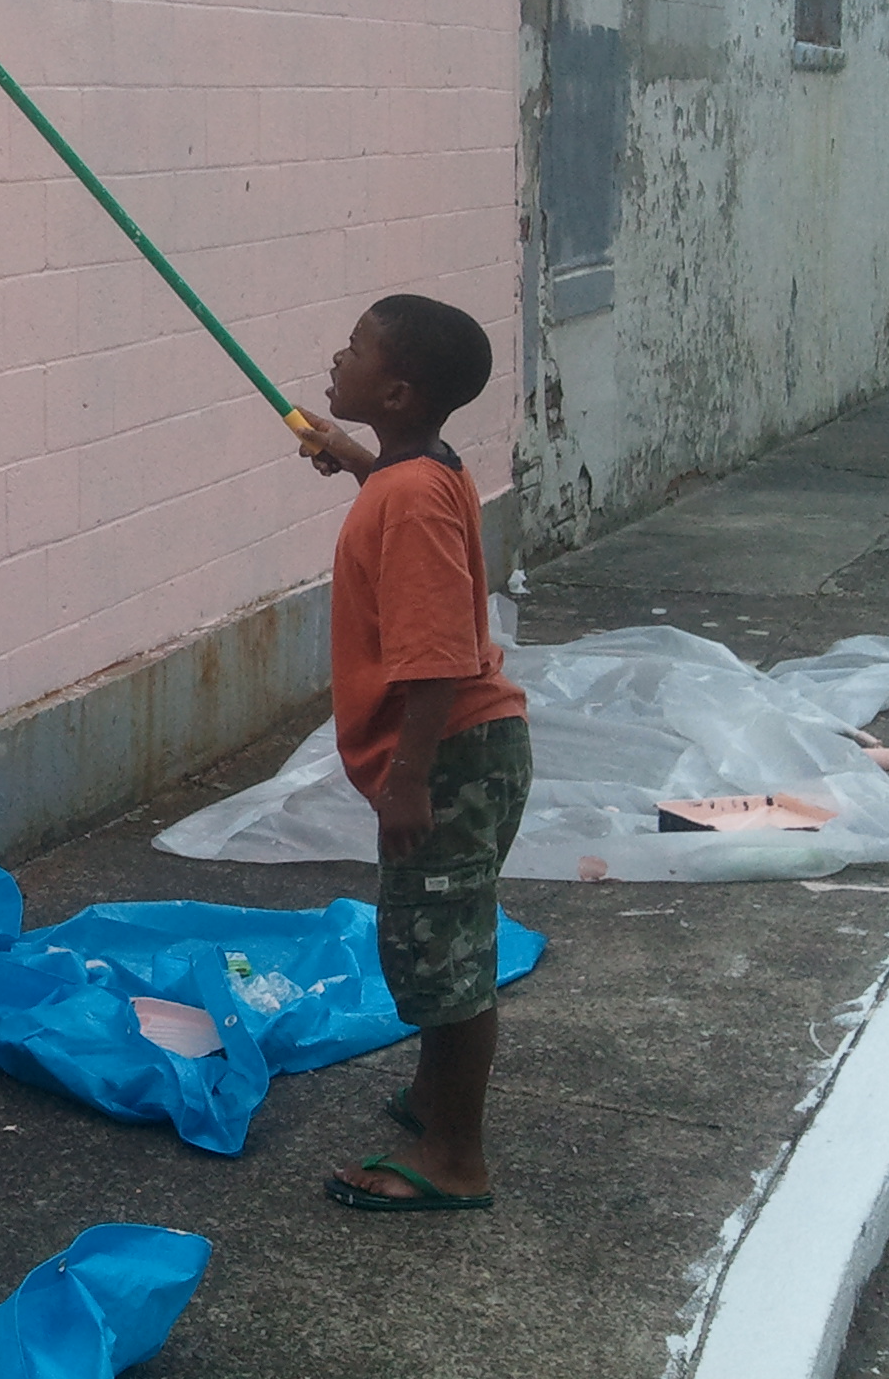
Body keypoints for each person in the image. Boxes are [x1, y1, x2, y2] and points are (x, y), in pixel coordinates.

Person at [292, 295, 530, 1212]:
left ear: (392, 391)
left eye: (354, 349)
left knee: (446, 954)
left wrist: (409, 777)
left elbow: (439, 660)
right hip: (470, 751)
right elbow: (403, 497)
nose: (336, 356)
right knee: (440, 937)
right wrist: (360, 462)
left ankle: (455, 1158)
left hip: (454, 755)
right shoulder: (415, 469)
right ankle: (435, 1099)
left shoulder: (414, 498)